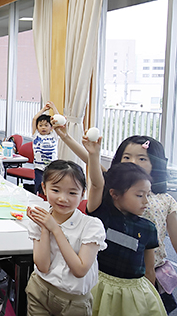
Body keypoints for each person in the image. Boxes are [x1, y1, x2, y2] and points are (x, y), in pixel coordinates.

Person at [56, 127, 177, 312]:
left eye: (142, 158)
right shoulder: (115, 191)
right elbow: (93, 165)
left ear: (155, 163)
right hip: (108, 267)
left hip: (145, 274)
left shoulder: (165, 200)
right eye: (127, 157)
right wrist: (67, 138)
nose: (133, 162)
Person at [82, 134, 166, 316]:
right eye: (139, 195)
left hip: (132, 293)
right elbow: (97, 184)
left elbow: (149, 269)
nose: (145, 201)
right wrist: (94, 155)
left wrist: (148, 296)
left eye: (147, 194)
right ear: (115, 194)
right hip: (99, 285)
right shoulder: (102, 213)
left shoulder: (148, 228)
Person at [25, 160, 106, 316]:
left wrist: (55, 229)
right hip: (40, 289)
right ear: (44, 188)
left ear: (83, 194)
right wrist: (45, 228)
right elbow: (43, 266)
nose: (63, 198)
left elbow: (80, 269)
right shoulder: (41, 219)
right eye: (55, 190)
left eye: (72, 193)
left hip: (74, 301)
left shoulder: (91, 226)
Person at [31, 102, 60, 194]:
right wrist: (43, 109)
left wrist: (53, 108)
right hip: (39, 168)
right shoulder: (36, 135)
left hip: (52, 167)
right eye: (40, 125)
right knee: (39, 188)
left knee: (52, 187)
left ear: (51, 127)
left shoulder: (53, 135)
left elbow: (58, 120)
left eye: (46, 125)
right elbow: (35, 118)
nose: (43, 127)